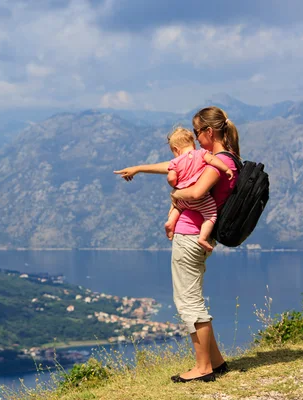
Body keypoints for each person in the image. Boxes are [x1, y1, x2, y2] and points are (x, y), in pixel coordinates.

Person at [114, 106, 240, 383]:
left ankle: (203, 367)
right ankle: (215, 362)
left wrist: (175, 195)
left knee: (189, 302)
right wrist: (140, 168)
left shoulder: (220, 162)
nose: (194, 138)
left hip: (191, 236)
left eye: (196, 132)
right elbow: (178, 164)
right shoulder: (219, 159)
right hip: (197, 233)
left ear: (208, 131)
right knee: (191, 298)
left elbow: (195, 191)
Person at [164, 127, 233, 251]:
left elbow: (171, 178)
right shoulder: (201, 154)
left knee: (177, 207)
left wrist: (174, 185)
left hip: (183, 199)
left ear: (176, 149)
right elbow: (213, 159)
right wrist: (226, 169)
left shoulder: (175, 162)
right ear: (192, 143)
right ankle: (203, 237)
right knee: (211, 215)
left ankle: (170, 222)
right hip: (202, 201)